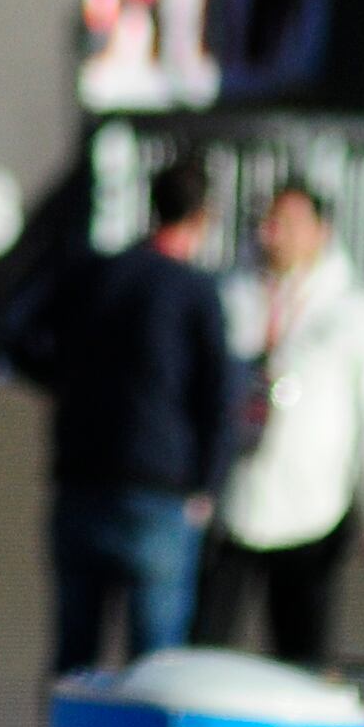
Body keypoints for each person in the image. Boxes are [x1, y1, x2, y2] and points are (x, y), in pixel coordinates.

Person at [17, 158, 240, 675]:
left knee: (76, 660)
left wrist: (63, 383)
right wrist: (208, 484)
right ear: (203, 218)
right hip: (158, 490)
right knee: (157, 666)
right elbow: (218, 398)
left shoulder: (96, 275)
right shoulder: (195, 291)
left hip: (82, 481)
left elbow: (19, 334)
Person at [194, 184, 364, 667]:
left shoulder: (356, 311)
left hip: (315, 509)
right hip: (232, 502)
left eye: (290, 224)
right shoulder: (229, 297)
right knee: (206, 650)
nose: (274, 235)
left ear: (322, 232)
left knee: (303, 655)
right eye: (269, 223)